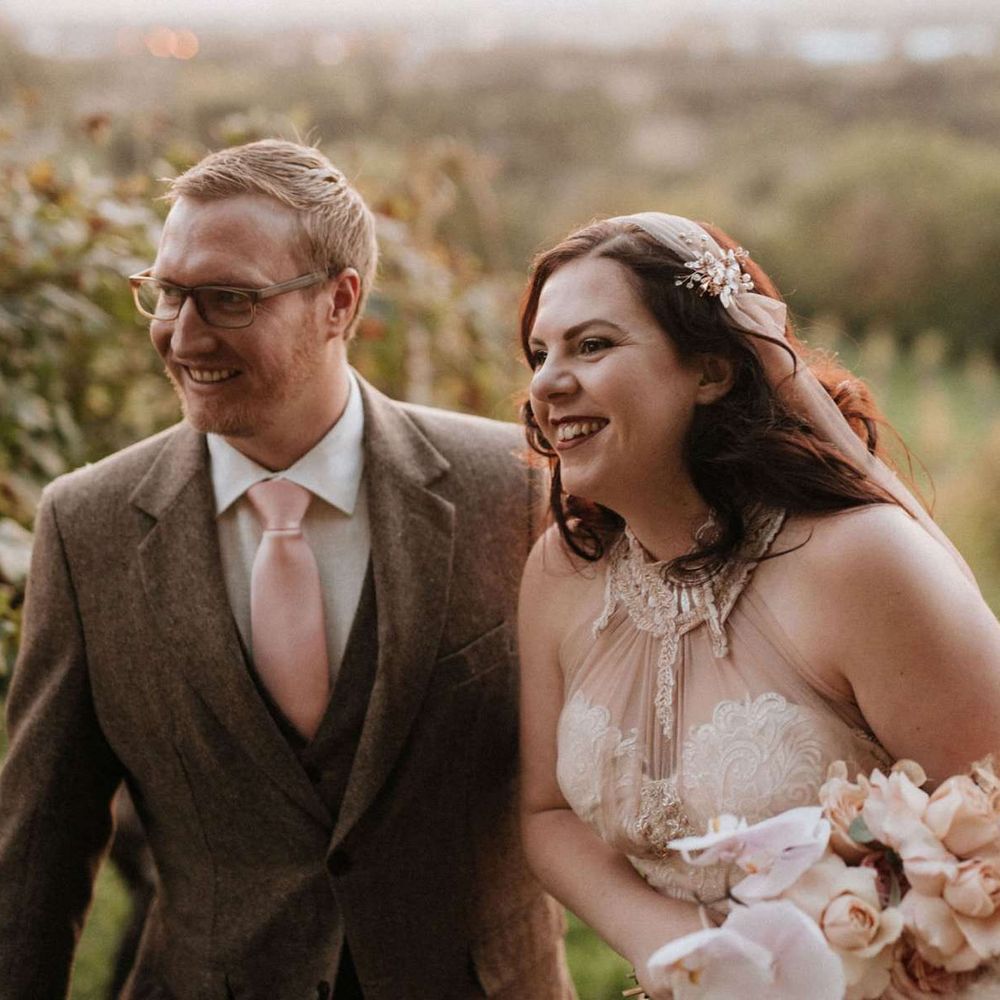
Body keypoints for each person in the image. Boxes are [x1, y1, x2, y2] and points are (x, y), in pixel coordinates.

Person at [0, 140, 575, 1000]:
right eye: (166, 294)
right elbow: (41, 842)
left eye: (229, 299)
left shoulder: (517, 489)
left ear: (339, 302)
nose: (183, 335)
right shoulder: (88, 526)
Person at [516, 212, 1000, 998]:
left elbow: (992, 832)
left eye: (593, 345)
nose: (546, 382)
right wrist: (672, 945)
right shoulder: (563, 571)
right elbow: (545, 815)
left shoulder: (861, 564)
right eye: (542, 353)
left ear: (712, 371)